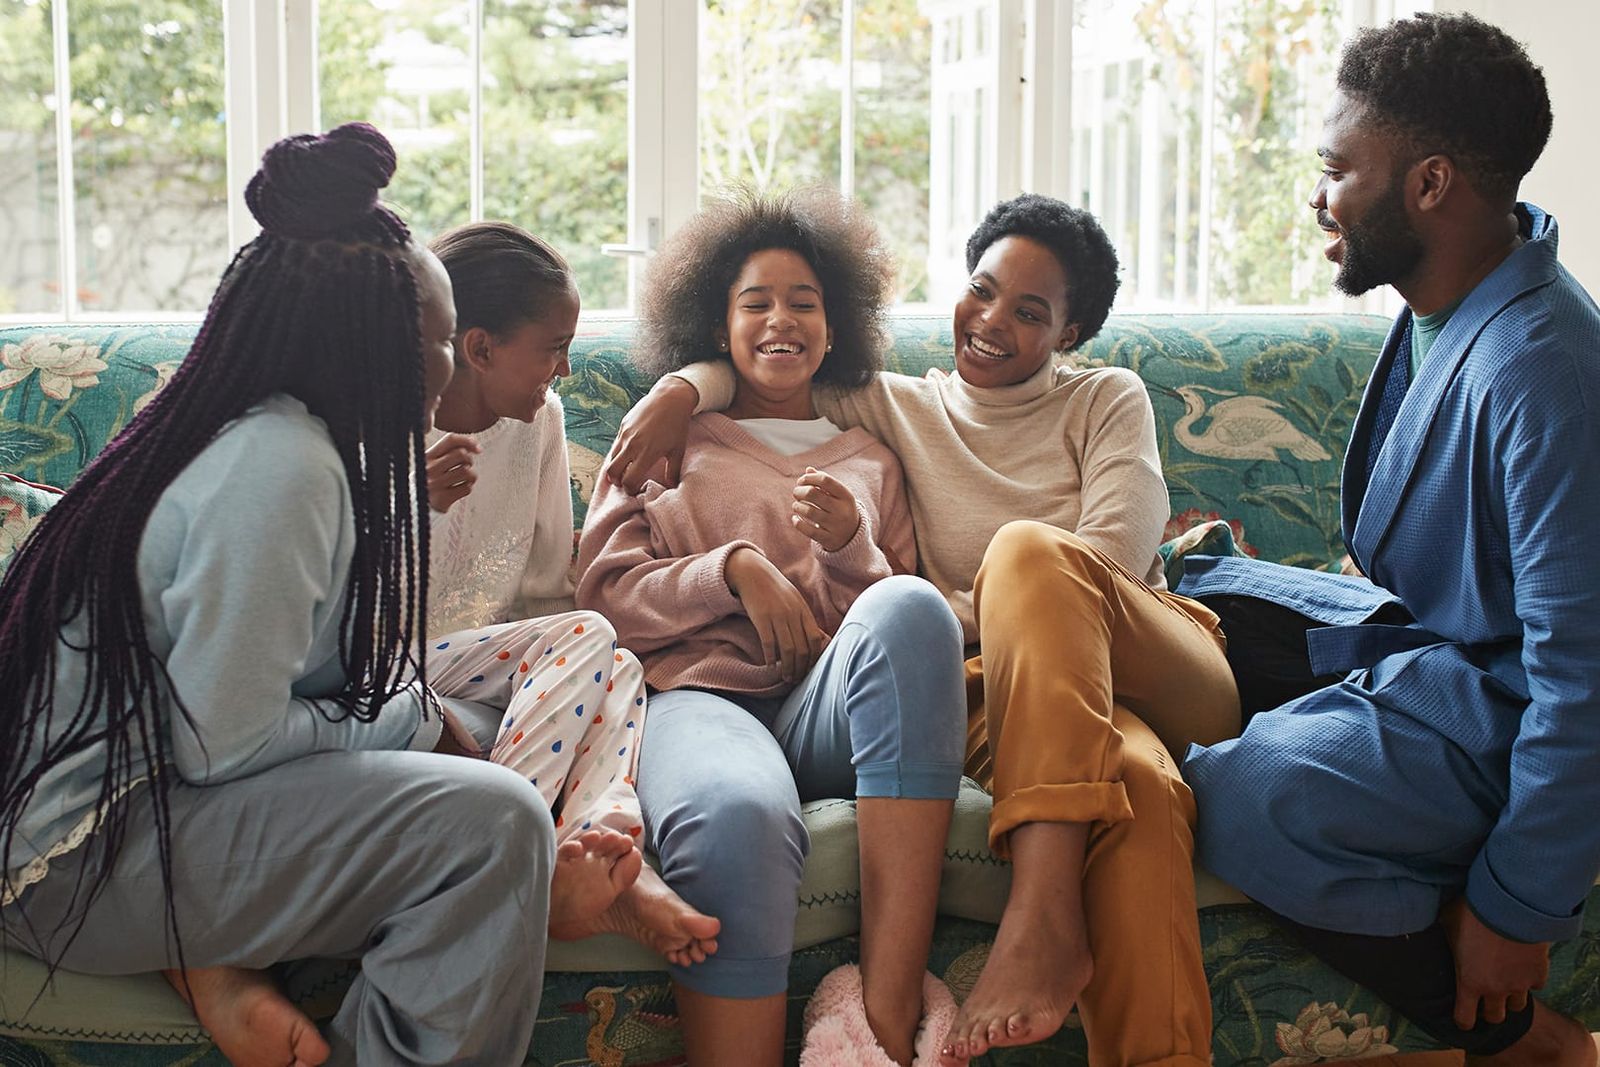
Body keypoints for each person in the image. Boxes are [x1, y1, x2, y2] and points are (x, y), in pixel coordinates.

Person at [608, 192, 1238, 1067]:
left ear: (1073, 330)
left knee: (1030, 558)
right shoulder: (895, 406)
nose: (990, 322)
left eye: (1030, 312)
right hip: (1011, 697)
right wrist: (680, 388)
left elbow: (1111, 562)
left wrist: (949, 608)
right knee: (1134, 784)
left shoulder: (1107, 399)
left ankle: (1042, 915)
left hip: (1153, 656)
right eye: (981, 290)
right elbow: (768, 357)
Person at [0, 124, 564, 1067]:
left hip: (158, 794)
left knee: (472, 714)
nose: (448, 367)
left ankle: (225, 967)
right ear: (368, 343)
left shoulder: (291, 444)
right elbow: (224, 743)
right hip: (75, 858)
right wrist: (402, 721)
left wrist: (412, 713)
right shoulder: (280, 465)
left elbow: (303, 678)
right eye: (437, 338)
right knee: (495, 823)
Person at [1173, 13, 1600, 1066]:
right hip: (1443, 653)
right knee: (1198, 597)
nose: (1317, 196)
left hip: (1510, 713)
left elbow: (1585, 673)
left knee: (1247, 791)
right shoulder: (1450, 302)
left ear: (1428, 184)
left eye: (1333, 170)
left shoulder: (1542, 368)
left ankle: (1519, 1039)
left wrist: (1517, 903)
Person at [576, 189, 968, 1067]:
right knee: (738, 812)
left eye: (804, 302)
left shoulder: (869, 457)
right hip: (697, 699)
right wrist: (733, 571)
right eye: (755, 301)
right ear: (718, 322)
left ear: (837, 327)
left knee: (912, 605)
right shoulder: (665, 438)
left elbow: (902, 644)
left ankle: (884, 1020)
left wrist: (849, 548)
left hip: (827, 710)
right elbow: (602, 597)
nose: (781, 319)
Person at [420, 220, 719, 962]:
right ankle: (510, 856)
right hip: (396, 667)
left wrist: (577, 670)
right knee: (588, 636)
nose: (563, 369)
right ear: (480, 347)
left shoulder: (539, 421)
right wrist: (406, 505)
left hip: (494, 671)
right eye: (553, 348)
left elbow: (550, 586)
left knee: (612, 659)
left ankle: (600, 846)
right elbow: (331, 598)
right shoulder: (383, 428)